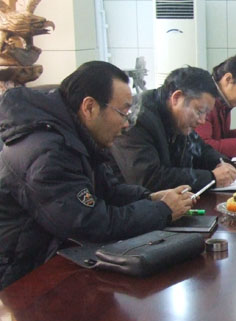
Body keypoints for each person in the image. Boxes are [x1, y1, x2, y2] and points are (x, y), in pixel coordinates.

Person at [0, 61, 194, 289]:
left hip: (56, 258)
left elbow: (109, 190)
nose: (126, 125)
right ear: (90, 107)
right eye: (123, 113)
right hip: (23, 276)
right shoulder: (47, 152)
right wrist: (163, 210)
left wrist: (150, 198)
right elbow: (91, 223)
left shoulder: (76, 136)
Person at [111, 66, 236, 191]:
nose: (202, 120)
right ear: (176, 98)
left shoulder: (178, 119)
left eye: (206, 113)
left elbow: (201, 150)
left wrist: (222, 163)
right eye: (199, 111)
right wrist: (211, 178)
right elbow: (148, 178)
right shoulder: (137, 119)